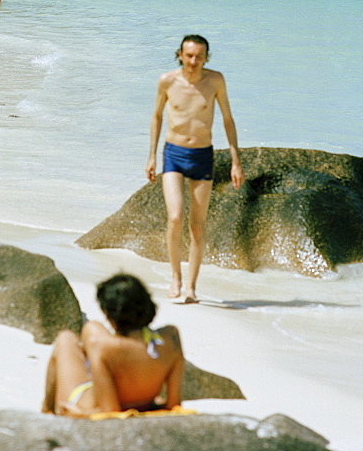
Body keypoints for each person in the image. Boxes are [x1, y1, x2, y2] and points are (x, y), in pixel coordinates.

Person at [145, 35, 244, 302]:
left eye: (199, 57)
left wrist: (236, 160)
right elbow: (156, 117)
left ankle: (191, 287)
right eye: (189, 56)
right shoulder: (167, 81)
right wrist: (152, 156)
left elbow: (227, 119)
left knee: (197, 226)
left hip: (202, 155)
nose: (193, 61)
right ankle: (175, 278)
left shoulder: (215, 81)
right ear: (180, 54)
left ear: (206, 58)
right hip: (174, 153)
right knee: (175, 217)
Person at [43, 274, 183, 417]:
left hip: (86, 403)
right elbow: (173, 405)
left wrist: (81, 413)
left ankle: (46, 410)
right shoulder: (171, 337)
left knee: (66, 339)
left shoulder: (104, 346)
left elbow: (111, 412)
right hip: (143, 402)